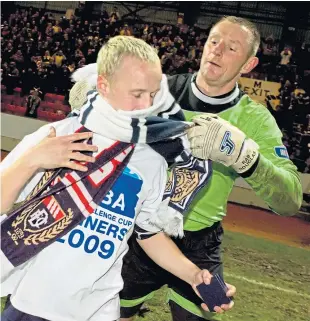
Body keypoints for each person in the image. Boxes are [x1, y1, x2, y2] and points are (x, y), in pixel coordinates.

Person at [66, 17, 302, 320]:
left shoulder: (256, 120)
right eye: (214, 41)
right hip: (139, 235)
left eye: (232, 48)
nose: (217, 51)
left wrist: (247, 159)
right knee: (109, 315)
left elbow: (290, 199)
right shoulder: (158, 94)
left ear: (248, 64)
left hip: (200, 245)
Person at [0, 36, 235, 321]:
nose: (146, 105)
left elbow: (148, 233)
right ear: (103, 85)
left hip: (100, 309)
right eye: (136, 94)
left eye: (152, 94)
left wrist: (193, 275)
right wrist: (33, 160)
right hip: (34, 304)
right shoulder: (57, 137)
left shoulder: (151, 160)